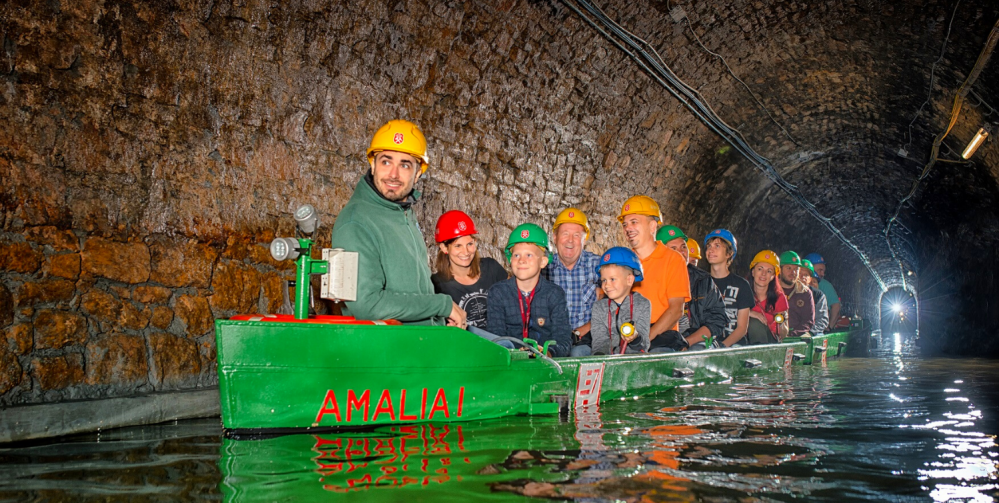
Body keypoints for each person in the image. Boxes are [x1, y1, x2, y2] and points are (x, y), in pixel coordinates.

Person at [330, 120, 465, 327]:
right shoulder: (355, 222)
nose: (393, 174)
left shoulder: (402, 211)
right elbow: (367, 305)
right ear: (373, 165)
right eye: (386, 162)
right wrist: (440, 306)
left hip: (422, 340)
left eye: (404, 165)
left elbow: (415, 289)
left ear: (417, 173)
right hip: (390, 346)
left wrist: (437, 320)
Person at [618, 196, 690, 353]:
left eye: (634, 222)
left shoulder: (673, 259)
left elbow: (676, 310)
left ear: (652, 226)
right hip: (628, 336)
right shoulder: (622, 262)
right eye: (625, 224)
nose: (628, 228)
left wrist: (644, 339)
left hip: (660, 338)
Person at [487, 223, 572, 357]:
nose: (521, 260)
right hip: (510, 361)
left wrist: (548, 352)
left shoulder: (554, 294)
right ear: (510, 260)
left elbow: (563, 339)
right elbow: (496, 336)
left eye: (529, 255)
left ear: (543, 262)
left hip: (545, 362)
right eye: (516, 255)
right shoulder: (497, 293)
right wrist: (513, 354)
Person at [431, 210, 507, 329]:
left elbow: (515, 298)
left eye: (470, 244)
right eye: (458, 246)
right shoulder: (436, 285)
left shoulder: (491, 267)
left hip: (502, 339)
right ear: (444, 248)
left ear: (475, 242)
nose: (466, 252)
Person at [658, 225, 727, 350]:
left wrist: (687, 342)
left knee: (698, 354)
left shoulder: (703, 280)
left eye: (683, 247)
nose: (681, 253)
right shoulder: (651, 280)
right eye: (673, 248)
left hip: (696, 340)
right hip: (663, 340)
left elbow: (717, 319)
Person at [543, 208, 601, 357]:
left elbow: (612, 305)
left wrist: (581, 331)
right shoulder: (542, 267)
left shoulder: (598, 265)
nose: (570, 240)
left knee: (578, 354)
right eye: (565, 234)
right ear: (555, 237)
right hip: (551, 340)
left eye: (576, 235)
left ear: (584, 240)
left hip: (585, 340)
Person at [590, 247, 651, 355]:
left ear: (629, 280)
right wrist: (601, 358)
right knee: (579, 351)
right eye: (604, 280)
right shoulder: (599, 308)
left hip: (633, 360)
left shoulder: (643, 304)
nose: (606, 285)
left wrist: (635, 338)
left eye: (612, 279)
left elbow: (644, 344)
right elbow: (599, 341)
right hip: (608, 359)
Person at [704, 229, 754, 347]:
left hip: (733, 345)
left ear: (729, 253)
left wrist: (722, 346)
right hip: (705, 343)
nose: (711, 250)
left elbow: (742, 328)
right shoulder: (701, 284)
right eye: (709, 246)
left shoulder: (741, 285)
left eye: (717, 246)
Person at [747, 250, 789, 344]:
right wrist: (749, 313)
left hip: (769, 341)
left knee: (755, 324)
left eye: (769, 271)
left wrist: (782, 322)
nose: (764, 273)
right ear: (753, 272)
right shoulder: (742, 292)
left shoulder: (779, 297)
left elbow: (784, 334)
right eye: (760, 269)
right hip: (743, 339)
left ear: (773, 276)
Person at [778, 251, 815, 338]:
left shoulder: (805, 292)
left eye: (796, 269)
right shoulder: (771, 289)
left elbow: (808, 321)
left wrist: (792, 335)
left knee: (806, 339)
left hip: (797, 335)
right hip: (773, 334)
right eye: (789, 268)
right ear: (780, 270)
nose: (793, 272)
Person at [804, 253, 841, 325]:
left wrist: (829, 326)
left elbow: (836, 306)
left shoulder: (825, 285)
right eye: (820, 270)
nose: (822, 274)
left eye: (823, 271)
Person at [800, 259, 829, 336]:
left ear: (810, 279)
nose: (803, 277)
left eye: (806, 275)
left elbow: (822, 320)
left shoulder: (818, 295)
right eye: (800, 274)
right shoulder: (787, 292)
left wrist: (810, 333)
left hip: (813, 333)